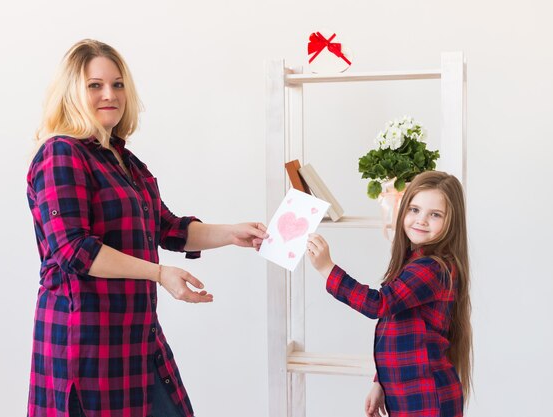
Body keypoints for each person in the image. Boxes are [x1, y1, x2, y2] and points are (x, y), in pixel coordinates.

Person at [26, 39, 268, 417]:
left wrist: (233, 233)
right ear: (72, 93)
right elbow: (75, 251)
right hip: (88, 345)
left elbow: (167, 228)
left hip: (137, 339)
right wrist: (159, 273)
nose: (110, 94)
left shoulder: (124, 160)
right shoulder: (61, 153)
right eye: (95, 85)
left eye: (118, 84)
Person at [306, 170, 472, 417]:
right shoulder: (415, 261)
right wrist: (379, 382)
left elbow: (379, 305)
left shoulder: (431, 268)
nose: (421, 220)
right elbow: (396, 328)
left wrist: (327, 269)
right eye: (414, 210)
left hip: (427, 399)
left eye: (435, 215)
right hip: (410, 395)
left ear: (451, 221)